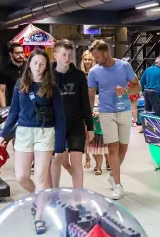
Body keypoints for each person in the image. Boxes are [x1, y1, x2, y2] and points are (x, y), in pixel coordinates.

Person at [0, 49, 65, 234]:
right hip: (24, 133)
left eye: (42, 64)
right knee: (21, 176)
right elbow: (13, 112)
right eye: (35, 63)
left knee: (42, 177)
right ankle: (41, 199)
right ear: (29, 64)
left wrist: (59, 146)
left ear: (47, 66)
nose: (38, 67)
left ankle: (39, 217)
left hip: (45, 133)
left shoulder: (52, 88)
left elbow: (60, 118)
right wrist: (3, 134)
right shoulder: (21, 84)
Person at [87, 39, 141, 200]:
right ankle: (118, 184)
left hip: (124, 111)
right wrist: (89, 118)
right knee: (113, 147)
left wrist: (126, 90)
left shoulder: (124, 66)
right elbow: (90, 96)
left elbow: (138, 86)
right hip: (106, 112)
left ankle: (112, 175)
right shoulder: (94, 72)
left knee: (123, 149)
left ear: (106, 53)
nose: (95, 60)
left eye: (96, 57)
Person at [50, 40, 94, 189]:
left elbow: (85, 102)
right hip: (55, 124)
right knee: (57, 158)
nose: (67, 58)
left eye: (69, 55)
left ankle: (79, 196)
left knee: (76, 159)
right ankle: (53, 193)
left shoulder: (79, 76)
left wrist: (90, 126)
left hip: (75, 123)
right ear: (55, 55)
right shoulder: (47, 75)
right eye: (64, 54)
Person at [0, 42, 26, 107]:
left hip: (28, 104)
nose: (21, 55)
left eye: (22, 52)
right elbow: (1, 91)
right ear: (11, 54)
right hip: (12, 105)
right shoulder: (4, 70)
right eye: (17, 53)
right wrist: (4, 109)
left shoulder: (29, 67)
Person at [88, 98, 108, 176]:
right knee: (92, 151)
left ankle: (99, 167)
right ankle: (97, 164)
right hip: (92, 131)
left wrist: (100, 114)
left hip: (100, 132)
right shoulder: (90, 100)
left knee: (99, 152)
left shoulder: (104, 102)